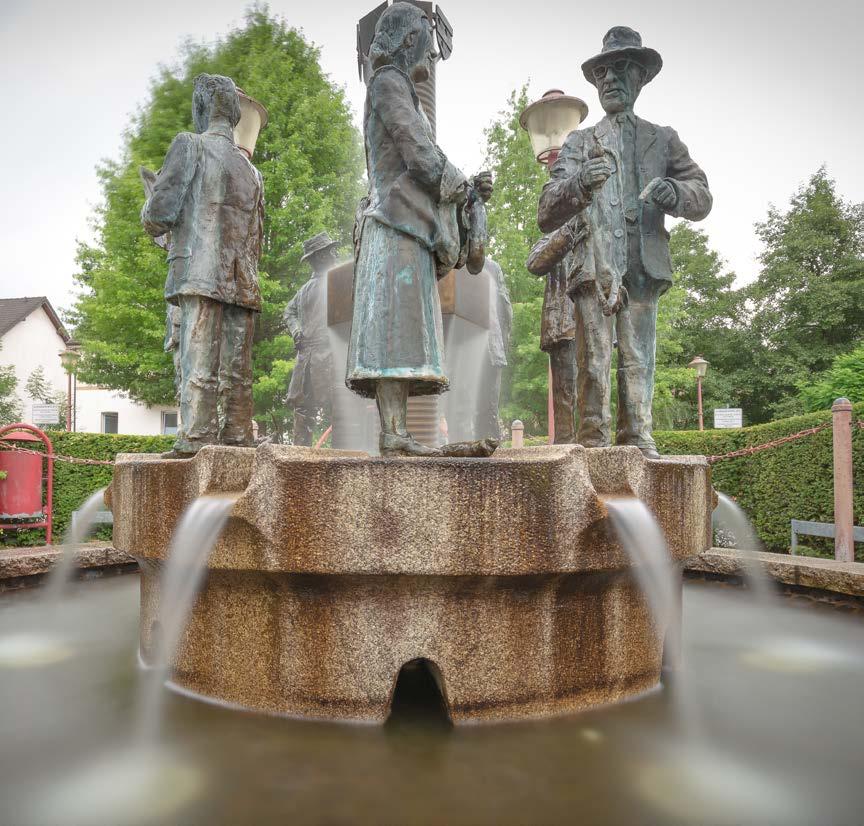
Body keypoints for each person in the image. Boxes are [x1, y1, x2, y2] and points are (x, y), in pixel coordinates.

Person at [537, 27, 712, 457]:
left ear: (640, 77)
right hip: (595, 266)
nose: (610, 79)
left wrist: (675, 192)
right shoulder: (580, 141)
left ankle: (638, 439)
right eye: (602, 74)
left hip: (642, 265)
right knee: (593, 362)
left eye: (620, 69)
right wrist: (580, 182)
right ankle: (593, 443)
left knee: (638, 360)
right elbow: (547, 210)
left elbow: (702, 195)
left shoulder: (663, 138)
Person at [346, 2, 492, 457]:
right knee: (394, 332)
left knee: (402, 333)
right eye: (427, 44)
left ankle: (397, 433)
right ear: (411, 39)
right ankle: (394, 434)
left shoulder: (397, 87)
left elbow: (427, 154)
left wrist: (467, 187)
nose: (431, 53)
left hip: (403, 224)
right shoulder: (388, 82)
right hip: (395, 222)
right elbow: (419, 153)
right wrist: (461, 187)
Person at [142, 74, 264, 457]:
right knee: (237, 371)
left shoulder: (189, 145)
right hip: (243, 280)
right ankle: (239, 438)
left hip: (200, 273)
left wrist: (148, 205)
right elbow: (258, 236)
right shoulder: (252, 171)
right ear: (233, 113)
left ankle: (196, 438)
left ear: (201, 106)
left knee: (199, 363)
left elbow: (160, 214)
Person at [526, 217, 587, 444]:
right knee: (565, 392)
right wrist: (566, 233)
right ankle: (565, 444)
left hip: (592, 322)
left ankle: (591, 442)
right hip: (563, 322)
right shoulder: (556, 234)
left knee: (594, 387)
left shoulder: (597, 234)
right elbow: (534, 263)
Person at [284, 232, 338, 445]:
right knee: (328, 405)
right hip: (322, 355)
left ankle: (303, 453)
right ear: (321, 256)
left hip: (314, 355)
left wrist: (296, 330)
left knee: (307, 409)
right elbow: (289, 312)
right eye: (331, 251)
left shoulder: (307, 289)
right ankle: (335, 453)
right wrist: (297, 331)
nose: (335, 254)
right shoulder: (335, 281)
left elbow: (288, 312)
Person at [474, 259, 512, 441]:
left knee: (469, 408)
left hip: (480, 345)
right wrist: (504, 343)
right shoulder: (492, 267)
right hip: (492, 344)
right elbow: (505, 308)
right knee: (489, 407)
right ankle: (490, 444)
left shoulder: (490, 267)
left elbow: (505, 306)